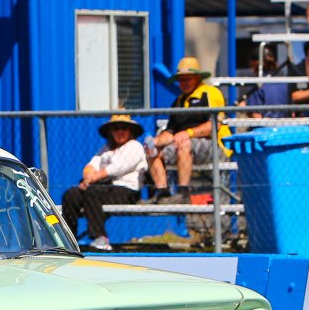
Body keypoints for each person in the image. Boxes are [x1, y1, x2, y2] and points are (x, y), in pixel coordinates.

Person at [146, 57, 228, 202]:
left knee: (183, 143)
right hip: (183, 146)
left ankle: (183, 193)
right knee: (152, 150)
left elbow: (214, 126)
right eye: (181, 79)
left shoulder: (210, 93)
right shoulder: (178, 102)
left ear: (197, 77)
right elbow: (171, 132)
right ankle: (162, 192)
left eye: (187, 79)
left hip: (214, 146)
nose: (183, 83)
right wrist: (156, 141)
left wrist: (188, 134)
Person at [61, 114, 147, 252]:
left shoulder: (135, 146)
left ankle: (100, 238)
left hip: (127, 190)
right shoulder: (106, 149)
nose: (120, 131)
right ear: (110, 131)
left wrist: (91, 179)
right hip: (101, 188)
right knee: (70, 195)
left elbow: (117, 168)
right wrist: (88, 177)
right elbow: (91, 165)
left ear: (130, 130)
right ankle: (68, 239)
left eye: (124, 128)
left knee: (92, 191)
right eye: (116, 128)